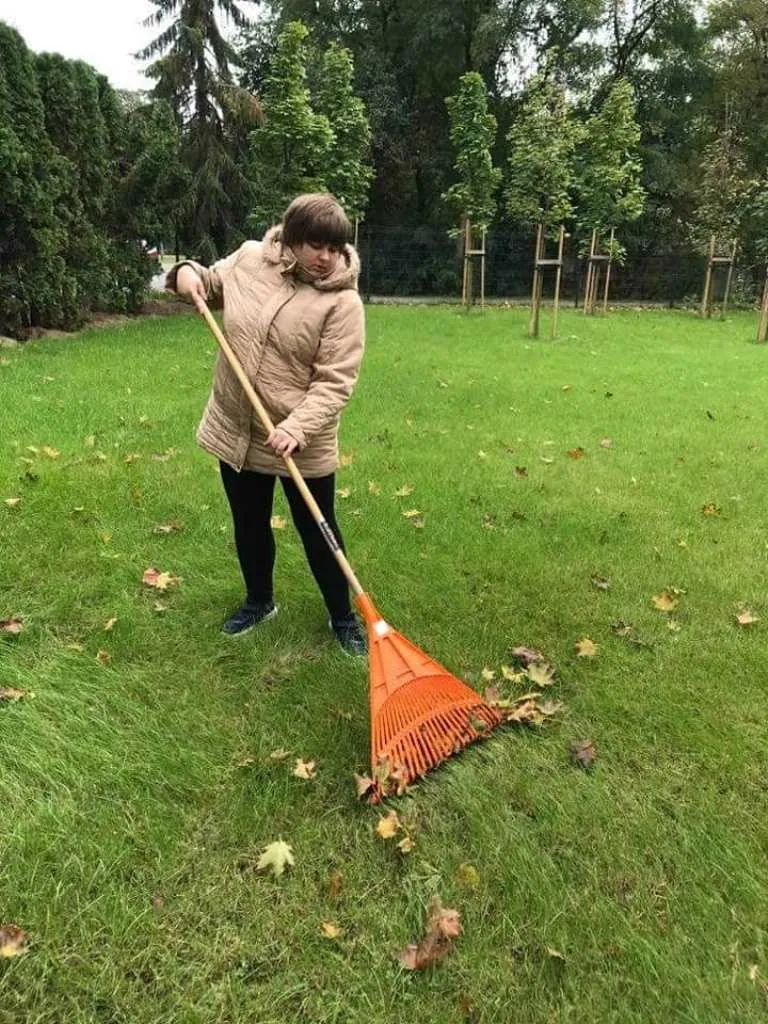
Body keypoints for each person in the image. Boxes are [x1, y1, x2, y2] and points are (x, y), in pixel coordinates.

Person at [166, 193, 367, 656]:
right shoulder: (250, 259)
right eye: (316, 245)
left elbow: (335, 383)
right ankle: (259, 602)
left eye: (335, 248)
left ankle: (344, 617)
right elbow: (210, 282)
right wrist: (186, 274)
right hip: (237, 426)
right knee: (249, 522)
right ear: (291, 238)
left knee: (320, 531)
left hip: (300, 440)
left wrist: (296, 427)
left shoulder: (342, 303)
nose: (326, 257)